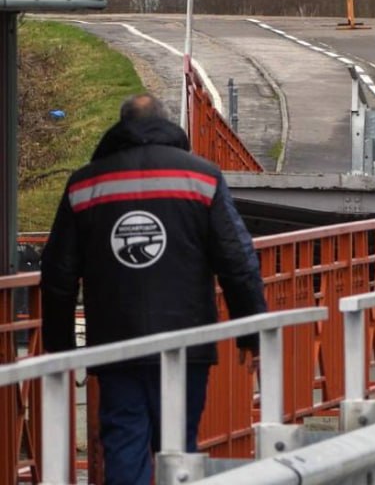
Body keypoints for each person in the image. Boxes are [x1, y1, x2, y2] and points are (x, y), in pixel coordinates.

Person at [40, 93, 267, 485]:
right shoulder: (202, 178)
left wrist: (61, 349)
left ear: (120, 126)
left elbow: (58, 274)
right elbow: (238, 261)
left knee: (124, 443)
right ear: (166, 124)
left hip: (116, 344)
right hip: (187, 342)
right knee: (178, 447)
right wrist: (252, 334)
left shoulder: (85, 185)